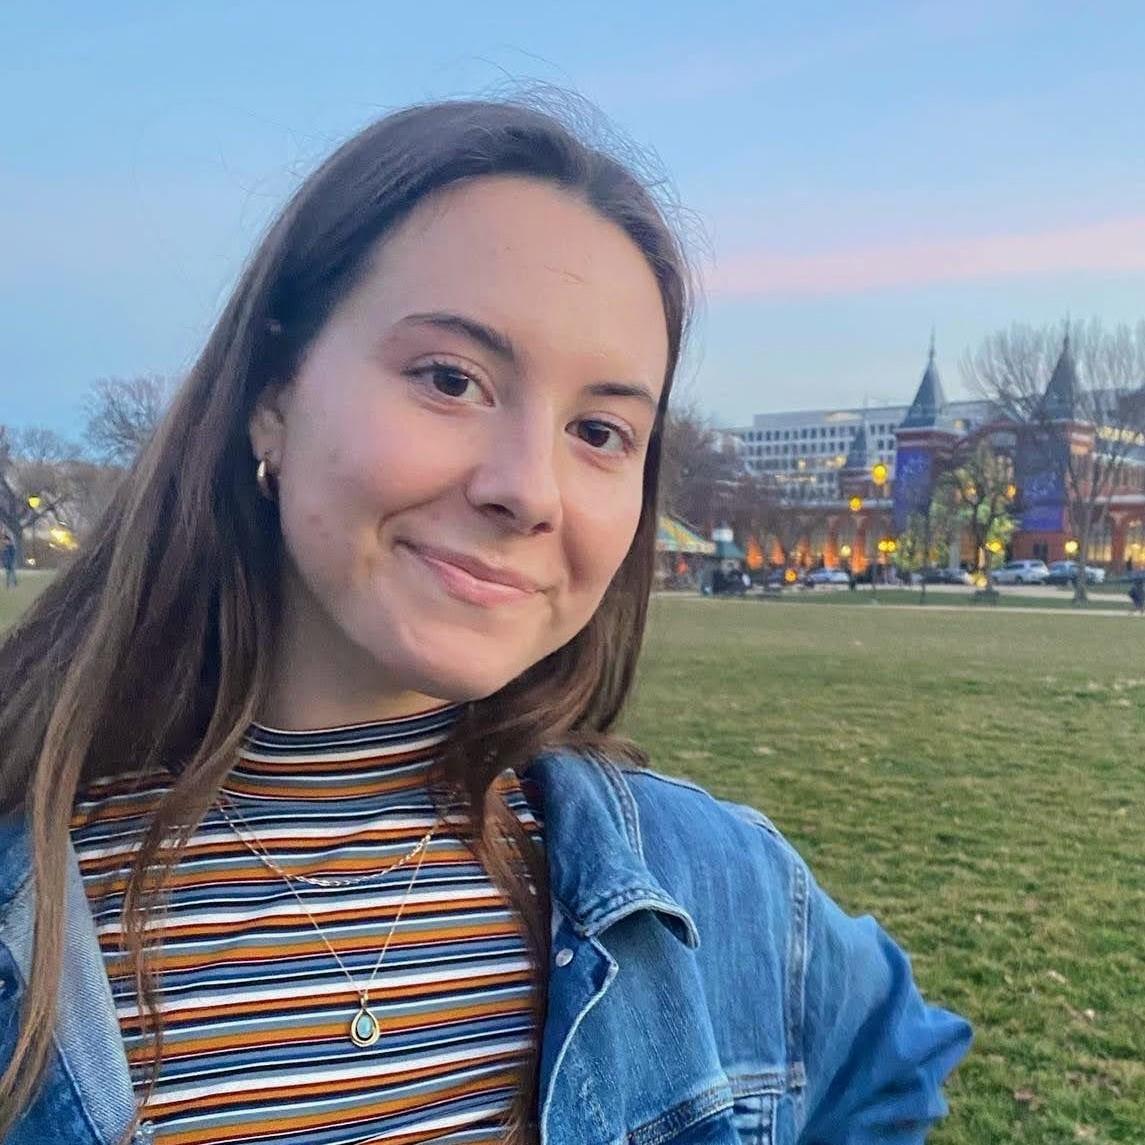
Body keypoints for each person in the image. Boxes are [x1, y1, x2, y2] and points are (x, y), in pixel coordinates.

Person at [0, 99, 971, 1145]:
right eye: (450, 379)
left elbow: (888, 1064)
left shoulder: (716, 883)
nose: (527, 488)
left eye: (599, 430)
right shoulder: (40, 908)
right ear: (273, 391)